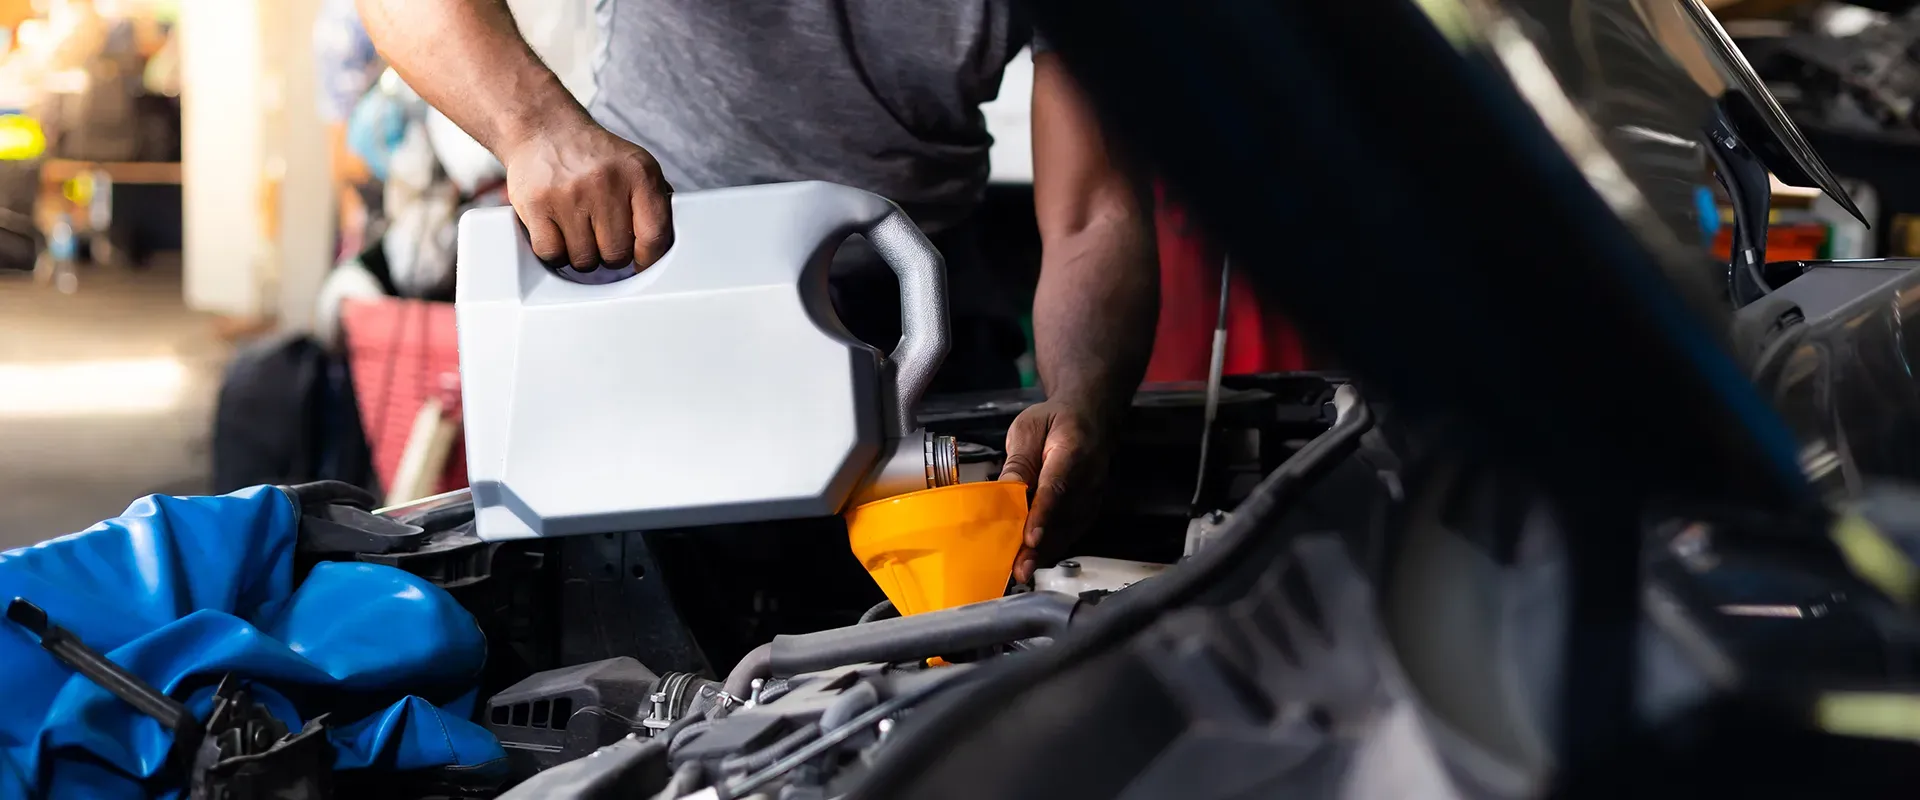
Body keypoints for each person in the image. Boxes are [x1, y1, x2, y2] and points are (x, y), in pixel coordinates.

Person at [355, 0, 1158, 580]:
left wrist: (1085, 399)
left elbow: (1095, 211)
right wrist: (535, 128)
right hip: (656, 305)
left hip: (917, 314)